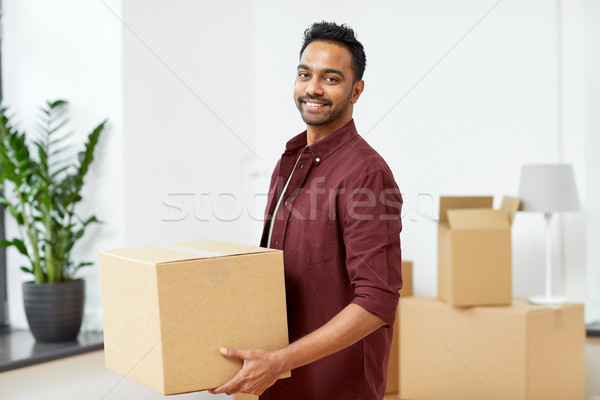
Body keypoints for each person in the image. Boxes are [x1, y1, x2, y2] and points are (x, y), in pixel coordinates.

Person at [210, 21, 403, 400]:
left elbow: (376, 302)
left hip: (335, 387)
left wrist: (280, 361)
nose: (313, 88)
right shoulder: (290, 161)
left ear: (356, 90)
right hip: (274, 383)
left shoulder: (366, 173)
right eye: (304, 74)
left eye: (331, 78)